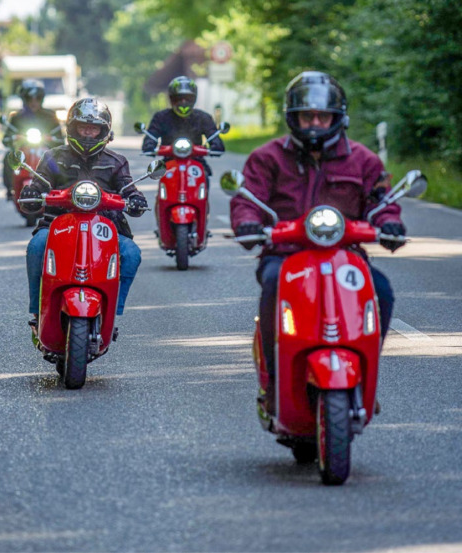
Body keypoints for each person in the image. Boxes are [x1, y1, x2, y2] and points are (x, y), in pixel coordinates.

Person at [230, 71, 405, 413]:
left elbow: (382, 201)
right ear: (292, 118)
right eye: (306, 116)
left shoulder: (363, 160)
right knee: (272, 285)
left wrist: (390, 223)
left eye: (321, 116)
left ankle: (365, 376)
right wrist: (247, 222)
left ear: (336, 118)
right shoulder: (267, 157)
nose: (313, 123)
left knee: (381, 290)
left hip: (345, 255)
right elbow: (247, 198)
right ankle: (273, 381)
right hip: (286, 253)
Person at [20, 97, 148, 332]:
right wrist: (31, 192)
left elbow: (128, 188)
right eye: (83, 127)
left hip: (104, 228)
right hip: (57, 225)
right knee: (37, 245)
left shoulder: (117, 162)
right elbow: (38, 184)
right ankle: (37, 310)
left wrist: (136, 198)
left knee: (131, 252)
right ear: (72, 128)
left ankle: (111, 312)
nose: (88, 134)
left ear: (104, 132)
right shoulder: (53, 157)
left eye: (93, 128)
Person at [141, 76, 225, 179]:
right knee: (159, 175)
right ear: (171, 99)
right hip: (169, 161)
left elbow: (213, 135)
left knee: (204, 175)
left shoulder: (203, 117)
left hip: (196, 160)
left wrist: (216, 144)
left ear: (194, 98)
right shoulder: (161, 117)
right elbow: (151, 135)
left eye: (188, 98)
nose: (183, 102)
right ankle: (162, 195)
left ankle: (203, 194)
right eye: (178, 98)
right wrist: (149, 144)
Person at [2, 79, 64, 200]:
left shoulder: (51, 116)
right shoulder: (17, 117)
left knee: (62, 161)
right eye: (30, 98)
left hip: (47, 152)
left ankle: (61, 189)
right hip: (23, 153)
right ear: (24, 99)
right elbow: (6, 139)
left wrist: (54, 139)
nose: (33, 102)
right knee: (8, 158)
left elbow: (61, 139)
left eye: (37, 98)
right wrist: (13, 139)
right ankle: (10, 189)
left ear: (42, 98)